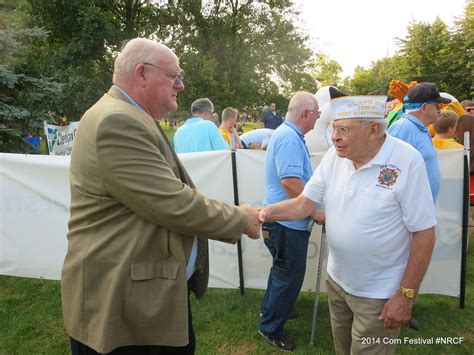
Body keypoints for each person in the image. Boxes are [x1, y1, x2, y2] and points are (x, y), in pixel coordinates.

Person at [61, 38, 261, 355]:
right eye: (174, 76)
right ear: (142, 73)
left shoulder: (128, 115)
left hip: (143, 294)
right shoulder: (118, 121)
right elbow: (171, 202)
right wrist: (241, 219)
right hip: (123, 302)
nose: (181, 86)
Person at [259, 95, 437, 355]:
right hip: (338, 282)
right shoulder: (335, 156)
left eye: (344, 129)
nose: (334, 137)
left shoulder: (407, 160)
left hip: (378, 292)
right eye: (333, 128)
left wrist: (406, 295)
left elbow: (424, 233)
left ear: (374, 129)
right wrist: (262, 213)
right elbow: (303, 204)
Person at [258, 91, 322, 352]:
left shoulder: (287, 135)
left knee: (282, 271)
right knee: (289, 276)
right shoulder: (288, 138)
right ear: (305, 113)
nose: (318, 118)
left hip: (283, 221)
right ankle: (271, 327)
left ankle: (271, 311)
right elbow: (290, 182)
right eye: (317, 114)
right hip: (287, 222)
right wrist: (314, 211)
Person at [388, 82, 451, 204]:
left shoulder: (419, 127)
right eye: (438, 105)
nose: (440, 110)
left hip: (420, 210)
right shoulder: (403, 128)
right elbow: (389, 174)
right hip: (409, 214)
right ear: (424, 107)